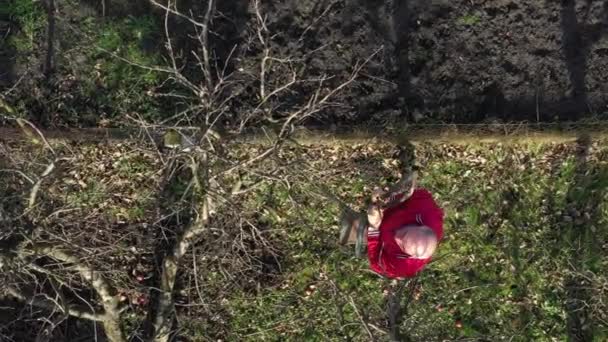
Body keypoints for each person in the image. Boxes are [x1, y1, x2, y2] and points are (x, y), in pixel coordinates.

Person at [340, 171, 444, 279]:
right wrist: (383, 200)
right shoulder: (425, 209)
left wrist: (374, 227)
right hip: (390, 211)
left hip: (379, 236)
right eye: (404, 234)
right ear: (419, 225)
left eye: (402, 245)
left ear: (411, 256)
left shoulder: (400, 266)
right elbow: (411, 193)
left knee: (348, 227)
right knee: (388, 181)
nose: (397, 237)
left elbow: (375, 260)